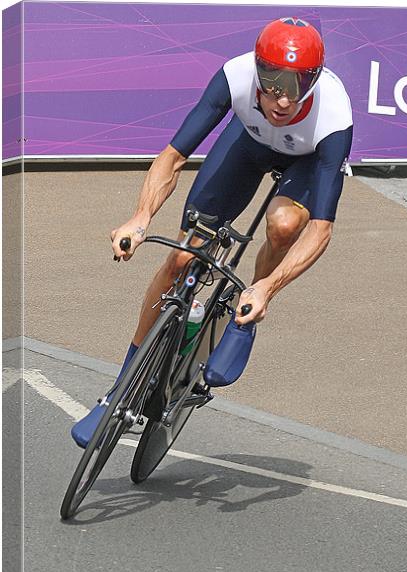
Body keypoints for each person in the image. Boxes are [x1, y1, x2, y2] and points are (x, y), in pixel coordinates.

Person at [71, 17, 353, 448]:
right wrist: (140, 217)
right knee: (183, 257)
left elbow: (322, 229)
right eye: (272, 81)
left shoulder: (334, 114)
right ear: (257, 70)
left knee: (283, 225)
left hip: (306, 163)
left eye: (296, 86)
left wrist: (268, 289)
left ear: (314, 81)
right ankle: (119, 390)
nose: (281, 98)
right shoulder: (235, 76)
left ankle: (249, 301)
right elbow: (174, 155)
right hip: (249, 143)